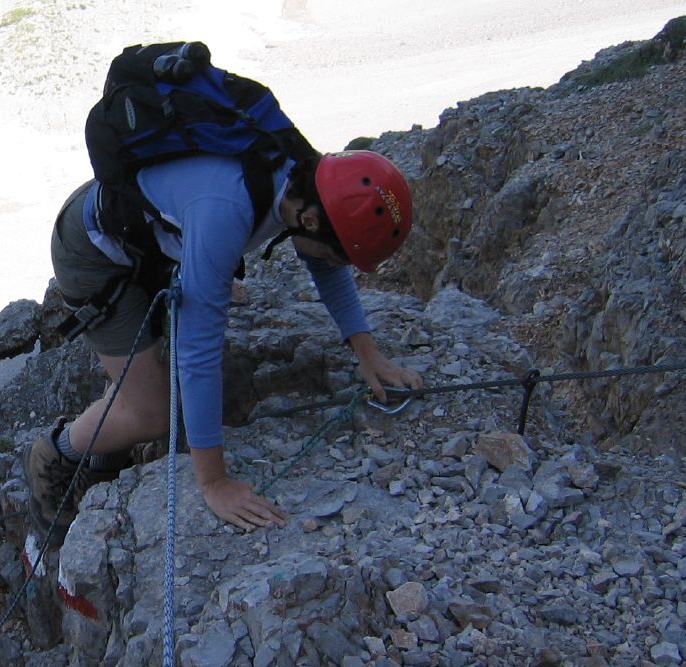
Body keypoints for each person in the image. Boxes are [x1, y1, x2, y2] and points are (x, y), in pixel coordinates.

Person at [28, 147, 424, 541]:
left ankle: (105, 453)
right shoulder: (227, 212)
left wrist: (368, 354)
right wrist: (214, 481)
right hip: (94, 249)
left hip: (147, 234)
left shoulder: (305, 176)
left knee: (147, 383)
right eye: (338, 254)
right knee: (154, 414)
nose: (336, 265)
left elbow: (323, 259)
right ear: (309, 218)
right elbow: (198, 352)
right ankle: (54, 454)